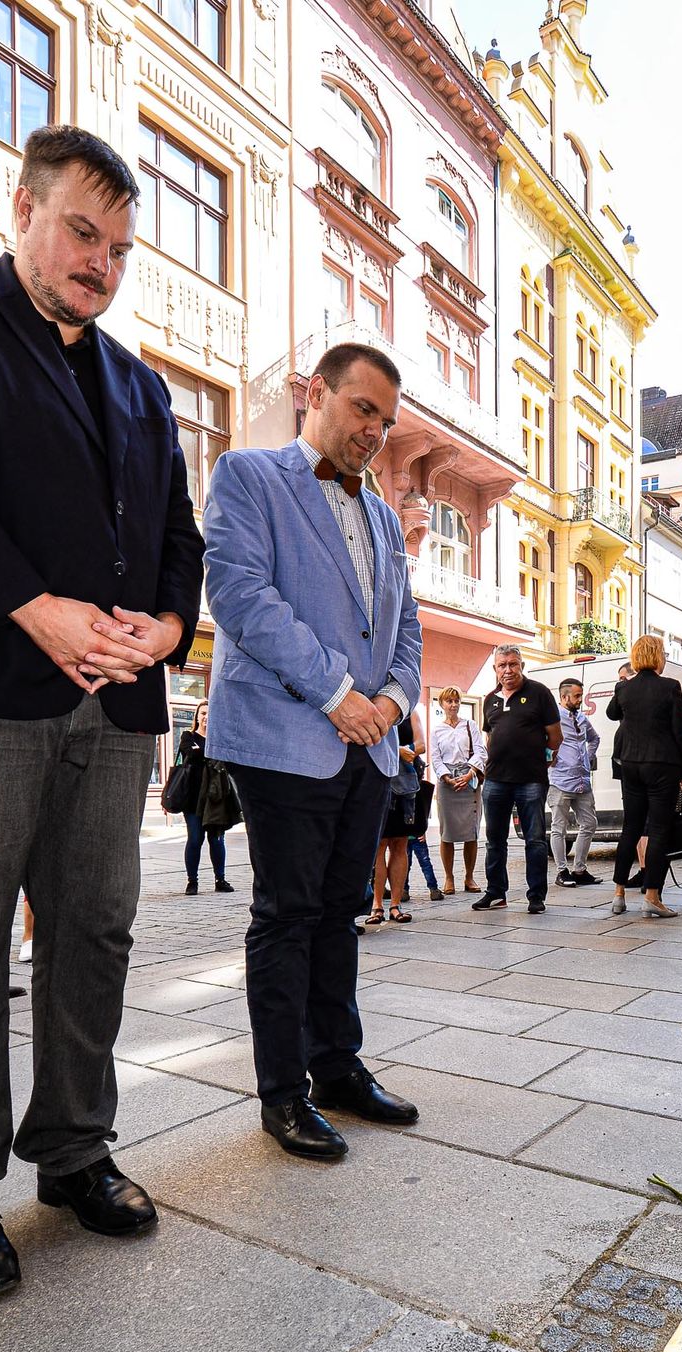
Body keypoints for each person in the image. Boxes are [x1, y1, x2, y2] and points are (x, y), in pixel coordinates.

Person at [0, 126, 204, 1297]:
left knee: (95, 931)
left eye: (118, 246)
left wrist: (164, 627)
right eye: (81, 231)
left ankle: (72, 1151)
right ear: (21, 209)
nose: (100, 262)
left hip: (115, 709)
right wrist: (32, 607)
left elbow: (176, 540)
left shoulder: (142, 384)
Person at [203, 342, 422, 1160]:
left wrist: (393, 702)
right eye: (363, 409)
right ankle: (283, 1095)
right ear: (314, 392)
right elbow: (240, 596)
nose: (375, 430)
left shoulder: (381, 512)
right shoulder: (249, 476)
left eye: (387, 420)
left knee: (340, 914)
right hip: (286, 736)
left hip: (367, 747)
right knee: (287, 916)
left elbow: (406, 626)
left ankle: (338, 1067)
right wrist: (340, 695)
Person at [607, 635, 682, 918]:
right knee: (657, 830)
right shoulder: (670, 687)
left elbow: (610, 713)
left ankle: (618, 894)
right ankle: (652, 896)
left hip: (630, 763)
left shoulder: (625, 688)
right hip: (662, 764)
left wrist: (621, 689)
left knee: (630, 828)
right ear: (657, 656)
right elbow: (679, 732)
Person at [475, 645, 561, 914]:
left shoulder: (540, 693)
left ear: (521, 665)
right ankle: (496, 893)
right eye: (502, 665)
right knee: (494, 840)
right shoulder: (490, 699)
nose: (508, 670)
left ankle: (536, 896)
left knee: (534, 839)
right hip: (496, 779)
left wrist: (544, 759)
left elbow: (555, 736)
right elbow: (490, 737)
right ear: (495, 669)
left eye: (513, 664)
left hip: (530, 779)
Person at [366, 711, 427, 926]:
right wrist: (397, 750)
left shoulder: (410, 713)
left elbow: (421, 745)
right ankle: (377, 905)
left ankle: (395, 905)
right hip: (379, 782)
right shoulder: (374, 708)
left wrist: (404, 750)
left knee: (400, 844)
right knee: (379, 845)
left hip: (406, 788)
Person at [430, 686, 486, 894]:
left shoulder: (470, 725)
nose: (453, 705)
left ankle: (469, 877)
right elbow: (435, 757)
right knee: (448, 833)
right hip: (447, 783)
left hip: (469, 779)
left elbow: (481, 751)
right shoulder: (437, 730)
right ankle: (449, 878)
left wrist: (470, 773)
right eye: (449, 701)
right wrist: (447, 778)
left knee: (471, 831)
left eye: (456, 701)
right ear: (442, 704)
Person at [177, 700, 235, 894]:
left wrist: (200, 751)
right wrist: (207, 752)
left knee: (217, 839)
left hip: (215, 798)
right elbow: (189, 753)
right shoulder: (188, 736)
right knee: (195, 839)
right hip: (192, 799)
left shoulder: (220, 738)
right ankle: (192, 881)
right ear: (197, 717)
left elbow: (227, 757)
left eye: (210, 714)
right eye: (202, 713)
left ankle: (221, 880)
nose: (206, 717)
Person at [549, 678, 602, 887]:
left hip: (582, 781)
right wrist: (553, 759)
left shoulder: (581, 717)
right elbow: (542, 741)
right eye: (577, 696)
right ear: (564, 697)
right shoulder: (554, 718)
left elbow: (595, 738)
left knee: (589, 823)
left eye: (581, 695)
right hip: (560, 780)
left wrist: (588, 759)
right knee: (558, 828)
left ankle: (580, 869)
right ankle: (562, 871)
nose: (581, 699)